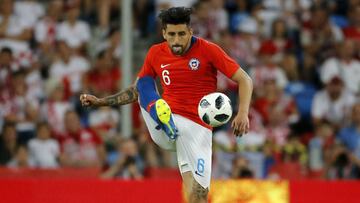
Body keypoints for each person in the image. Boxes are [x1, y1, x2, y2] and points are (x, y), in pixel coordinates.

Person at [80, 7, 252, 203]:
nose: (176, 40)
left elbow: (245, 79)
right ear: (164, 33)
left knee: (198, 195)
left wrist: (243, 113)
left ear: (190, 32)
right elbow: (137, 91)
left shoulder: (209, 50)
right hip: (166, 119)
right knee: (143, 82)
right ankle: (161, 113)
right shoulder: (156, 53)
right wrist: (102, 101)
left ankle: (162, 114)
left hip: (196, 129)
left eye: (181, 34)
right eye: (171, 34)